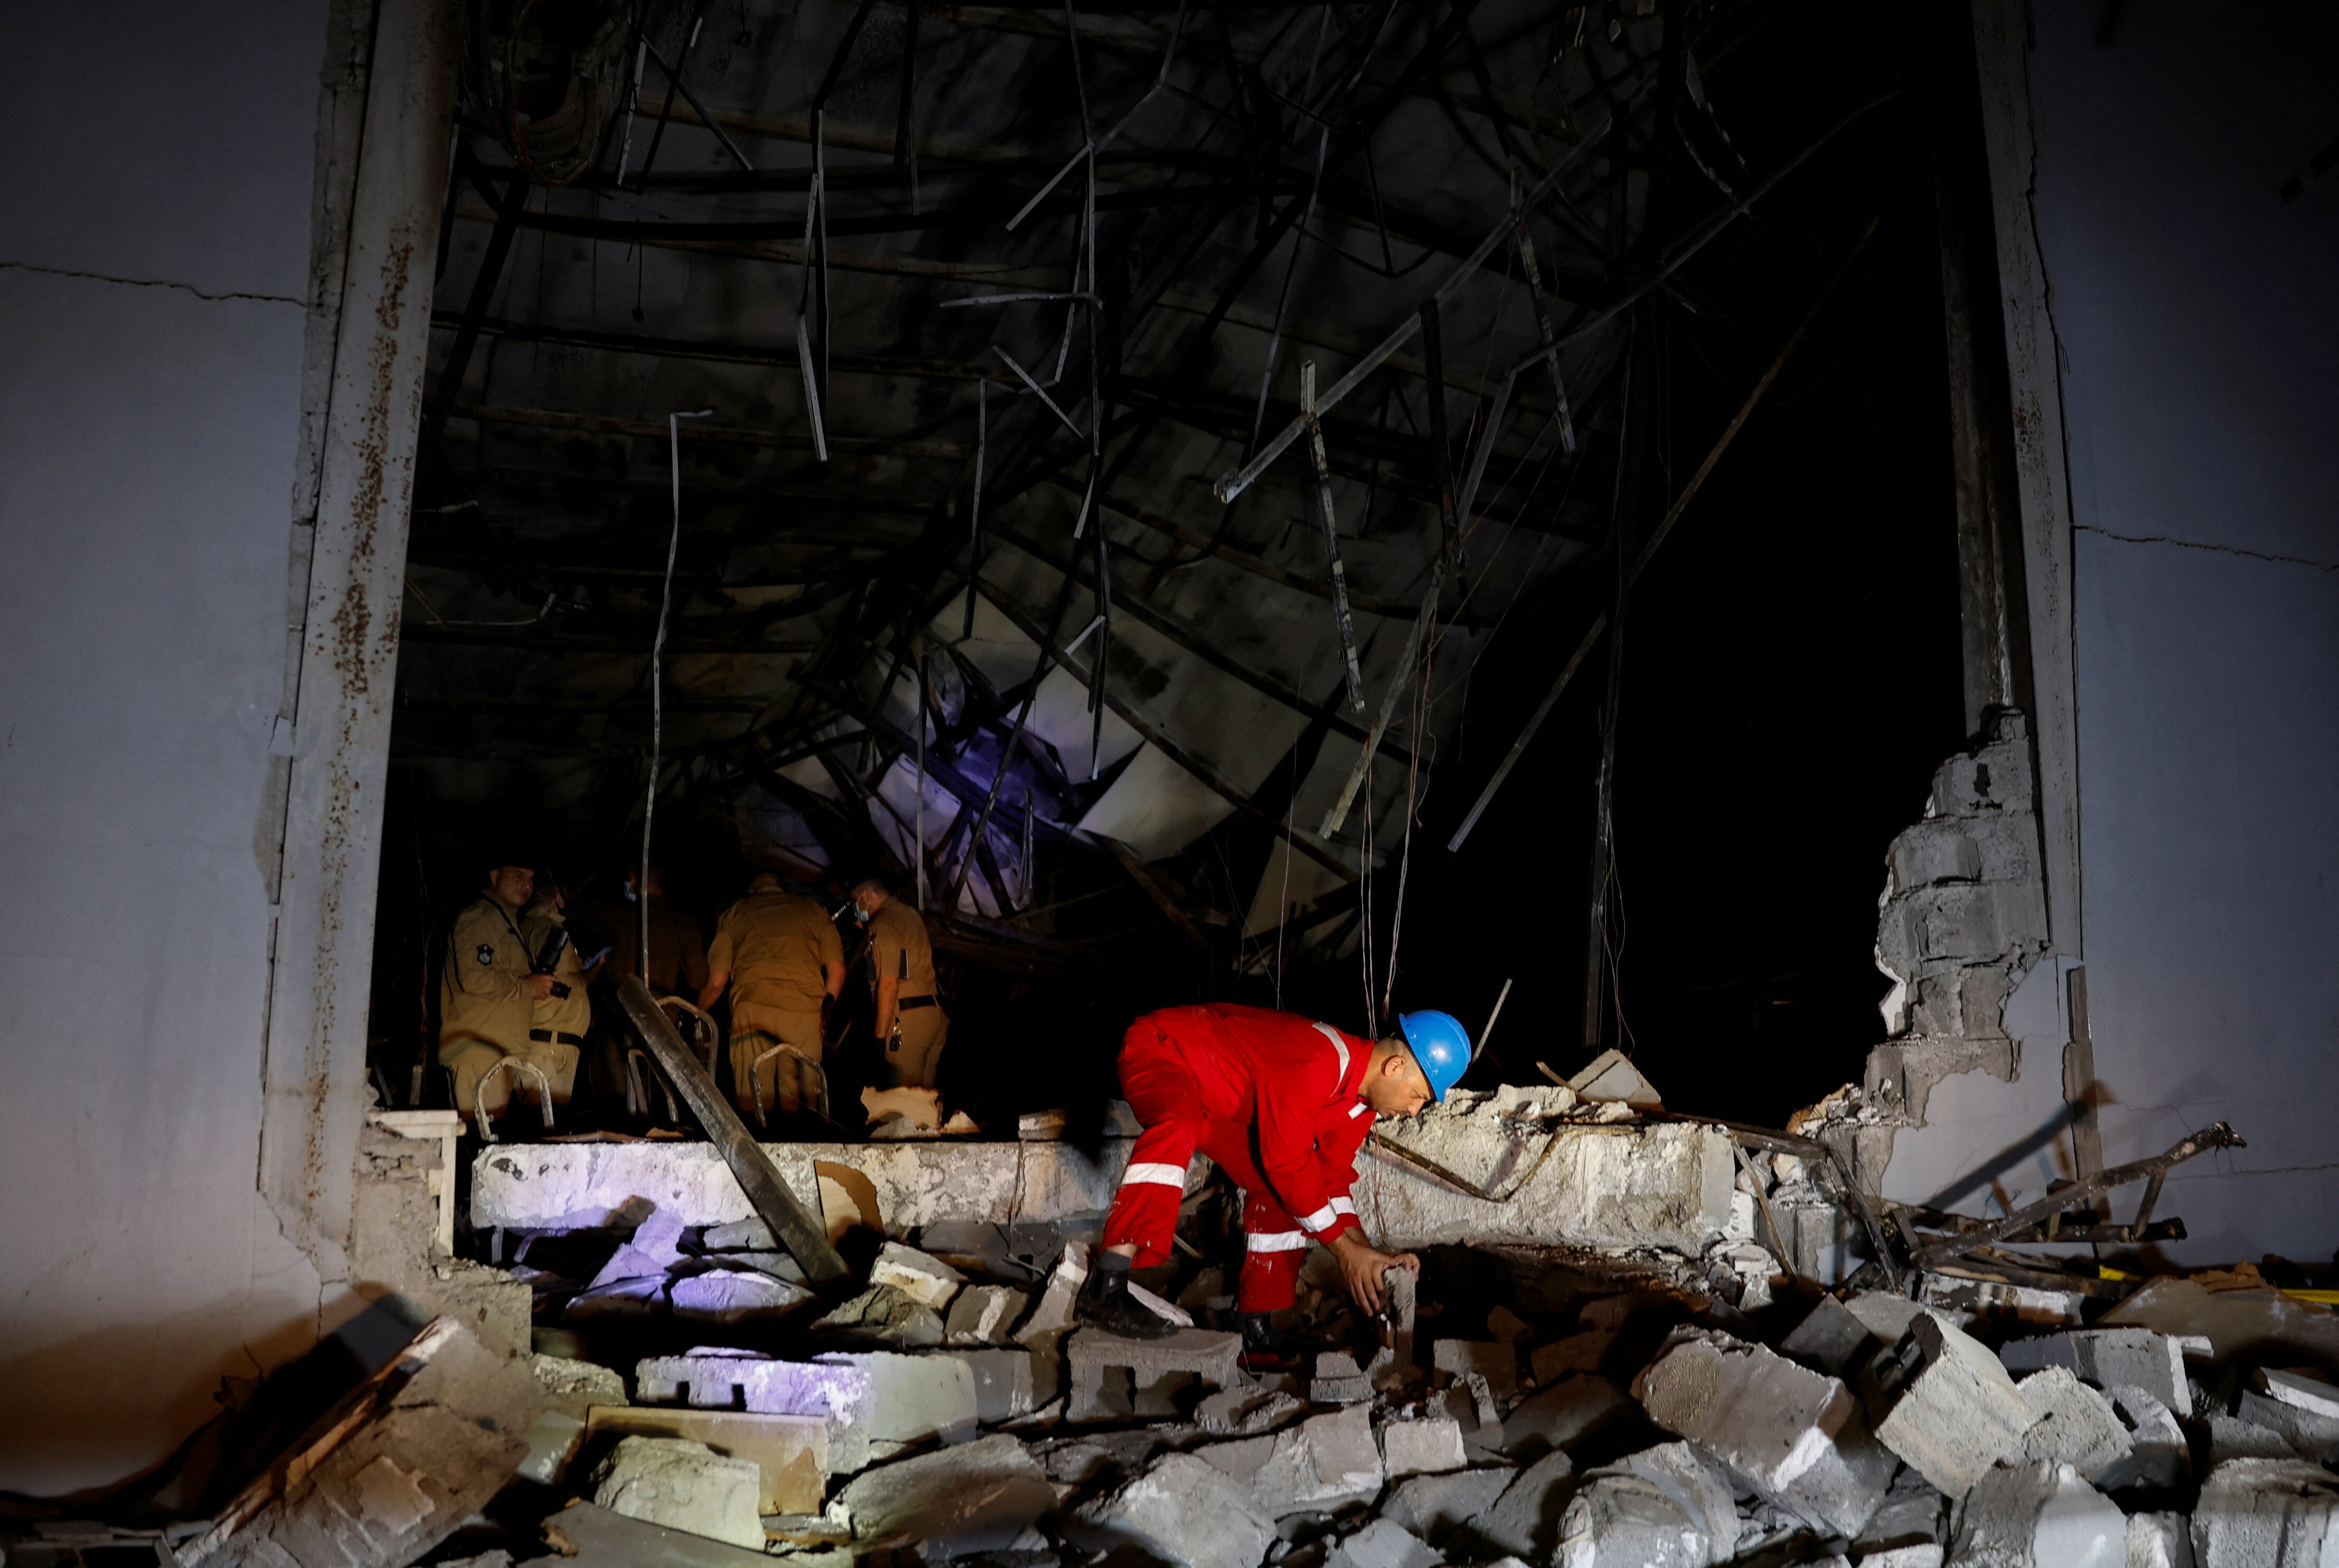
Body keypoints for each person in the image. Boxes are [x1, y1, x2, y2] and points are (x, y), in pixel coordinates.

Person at [1078, 1004, 1472, 1363]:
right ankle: (1106, 1286)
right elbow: (1285, 1161)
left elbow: (1330, 1182)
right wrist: (1342, 1250)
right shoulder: (1319, 1060)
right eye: (1418, 1096)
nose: (1412, 1110)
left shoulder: (1358, 1107)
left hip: (1215, 1099)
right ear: (1394, 1067)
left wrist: (1367, 1254)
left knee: (1281, 1191)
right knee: (1177, 1126)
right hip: (1164, 1050)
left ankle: (1254, 1327)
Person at [702, 871, 845, 1116]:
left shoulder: (734, 913)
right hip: (804, 1014)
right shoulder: (814, 911)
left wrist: (698, 1011)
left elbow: (717, 982)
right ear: (782, 887)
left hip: (752, 1015)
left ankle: (757, 1148)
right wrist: (825, 1010)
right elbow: (837, 971)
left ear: (751, 890)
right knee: (802, 1105)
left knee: (754, 1100)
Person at [438, 860, 564, 1120]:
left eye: (531, 879)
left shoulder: (504, 921)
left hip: (500, 1052)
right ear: (495, 876)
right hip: (479, 1052)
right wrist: (526, 986)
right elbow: (474, 978)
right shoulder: (481, 918)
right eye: (518, 876)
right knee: (478, 1143)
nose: (526, 886)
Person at [850, 874, 950, 1090]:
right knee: (925, 1103)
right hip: (933, 1018)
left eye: (856, 901)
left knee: (901, 1105)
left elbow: (888, 984)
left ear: (867, 896)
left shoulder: (884, 924)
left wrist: (879, 1039)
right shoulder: (909, 915)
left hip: (906, 1024)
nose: (855, 908)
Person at [518, 875, 597, 1106]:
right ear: (557, 897)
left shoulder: (531, 928)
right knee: (543, 1127)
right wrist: (592, 971)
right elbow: (567, 982)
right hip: (548, 1049)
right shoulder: (546, 930)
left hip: (552, 1047)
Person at [608, 860, 708, 999]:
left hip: (621, 1012)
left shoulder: (619, 916)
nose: (629, 888)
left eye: (630, 880)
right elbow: (699, 979)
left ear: (642, 883)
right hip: (661, 1013)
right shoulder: (682, 922)